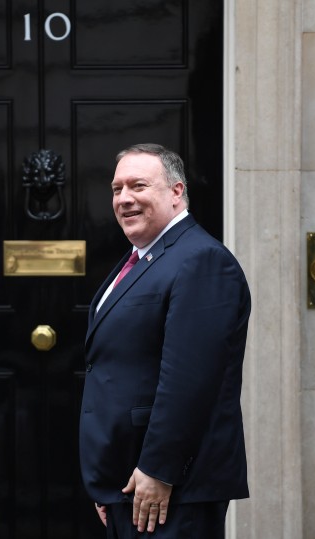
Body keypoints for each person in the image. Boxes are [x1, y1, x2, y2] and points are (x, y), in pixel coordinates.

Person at [79, 143, 250, 538]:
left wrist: (159, 469)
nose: (124, 199)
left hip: (169, 489)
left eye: (138, 186)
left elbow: (190, 381)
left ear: (176, 192)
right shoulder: (144, 257)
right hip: (127, 483)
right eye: (116, 188)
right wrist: (107, 479)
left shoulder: (201, 261)